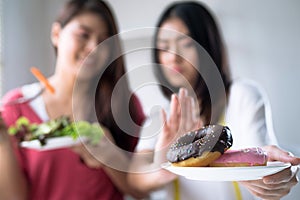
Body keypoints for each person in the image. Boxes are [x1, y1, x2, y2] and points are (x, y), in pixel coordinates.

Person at [128, 1, 300, 200]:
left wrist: (270, 175)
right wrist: (165, 163)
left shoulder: (241, 95)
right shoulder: (161, 115)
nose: (173, 57)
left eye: (186, 44)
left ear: (208, 46)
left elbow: (261, 161)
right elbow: (134, 179)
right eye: (164, 48)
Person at [0, 0, 146, 199]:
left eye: (103, 41)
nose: (93, 48)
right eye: (83, 35)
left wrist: (110, 157)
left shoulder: (124, 104)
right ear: (56, 34)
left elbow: (141, 190)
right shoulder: (16, 108)